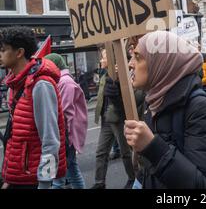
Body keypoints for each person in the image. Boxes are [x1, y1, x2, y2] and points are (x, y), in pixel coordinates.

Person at [124, 31, 206, 189]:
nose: (130, 64)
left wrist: (152, 147)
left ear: (161, 63)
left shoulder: (201, 109)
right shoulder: (154, 102)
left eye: (138, 57)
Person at [0, 26, 66, 189]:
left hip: (33, 181)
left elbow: (51, 141)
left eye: (3, 50)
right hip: (18, 177)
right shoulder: (15, 84)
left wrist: (44, 184)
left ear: (19, 52)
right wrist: (9, 177)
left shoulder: (40, 85)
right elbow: (15, 137)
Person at [91, 49, 135, 189]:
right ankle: (99, 183)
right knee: (101, 152)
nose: (101, 60)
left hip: (118, 118)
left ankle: (133, 179)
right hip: (106, 119)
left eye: (103, 57)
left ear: (111, 59)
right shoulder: (104, 75)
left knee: (126, 152)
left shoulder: (121, 74)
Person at [45, 53, 88, 189]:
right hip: (64, 136)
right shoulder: (62, 80)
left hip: (65, 137)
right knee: (71, 170)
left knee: (58, 178)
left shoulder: (65, 82)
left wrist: (64, 138)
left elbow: (65, 112)